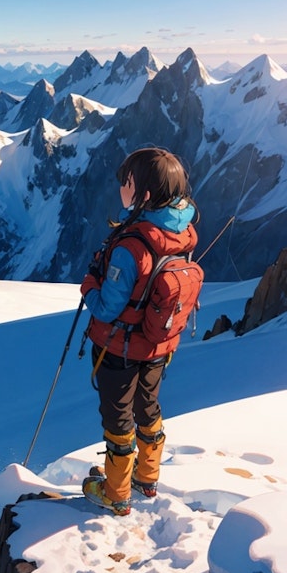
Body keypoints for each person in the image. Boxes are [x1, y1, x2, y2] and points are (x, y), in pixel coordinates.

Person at [79, 147, 199, 516]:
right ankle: (146, 478)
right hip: (160, 344)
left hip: (120, 348)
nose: (121, 189)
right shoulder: (183, 232)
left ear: (144, 194)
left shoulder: (133, 246)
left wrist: (89, 288)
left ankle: (115, 492)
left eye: (127, 183)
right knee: (147, 407)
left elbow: (109, 307)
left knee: (118, 418)